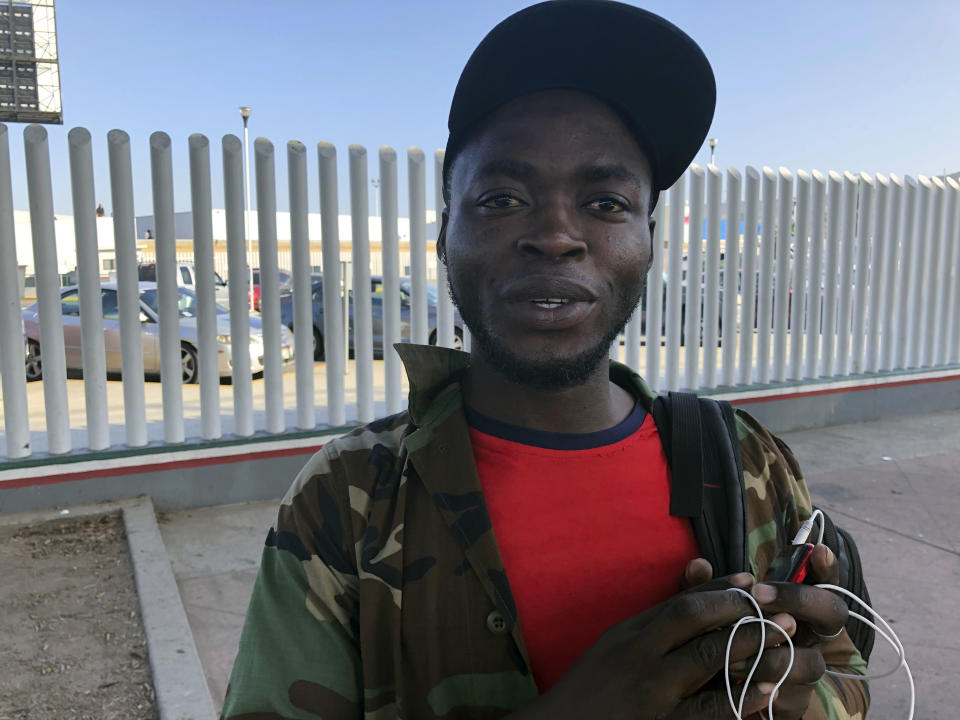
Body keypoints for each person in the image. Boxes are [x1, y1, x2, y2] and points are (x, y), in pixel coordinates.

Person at [221, 3, 869, 719]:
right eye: (503, 198)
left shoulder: (750, 461)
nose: (557, 235)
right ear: (445, 234)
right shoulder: (346, 501)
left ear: (648, 241)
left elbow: (847, 673)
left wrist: (802, 701)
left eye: (604, 201)